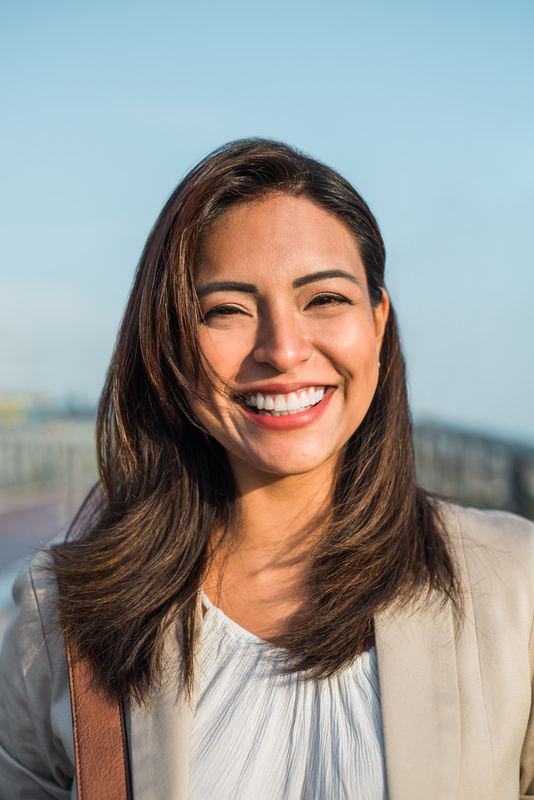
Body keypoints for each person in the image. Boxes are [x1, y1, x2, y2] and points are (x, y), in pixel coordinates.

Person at [1, 138, 533, 800]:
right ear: (168, 347)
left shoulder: (516, 586)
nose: (283, 351)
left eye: (325, 300)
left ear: (378, 322)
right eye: (227, 310)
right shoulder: (60, 614)